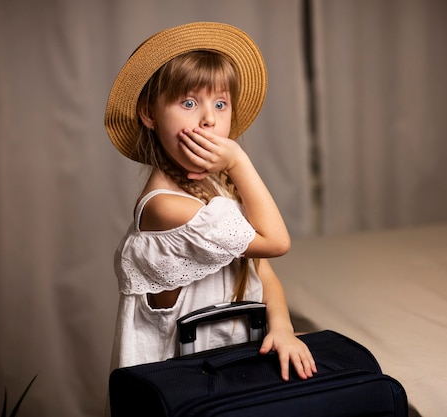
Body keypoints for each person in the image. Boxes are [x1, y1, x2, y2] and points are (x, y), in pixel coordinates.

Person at [104, 22, 317, 384]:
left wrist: (281, 326)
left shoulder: (217, 189)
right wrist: (238, 160)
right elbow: (277, 243)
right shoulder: (165, 208)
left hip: (230, 366)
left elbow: (262, 270)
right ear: (149, 114)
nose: (209, 118)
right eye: (188, 102)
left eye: (220, 103)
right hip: (183, 383)